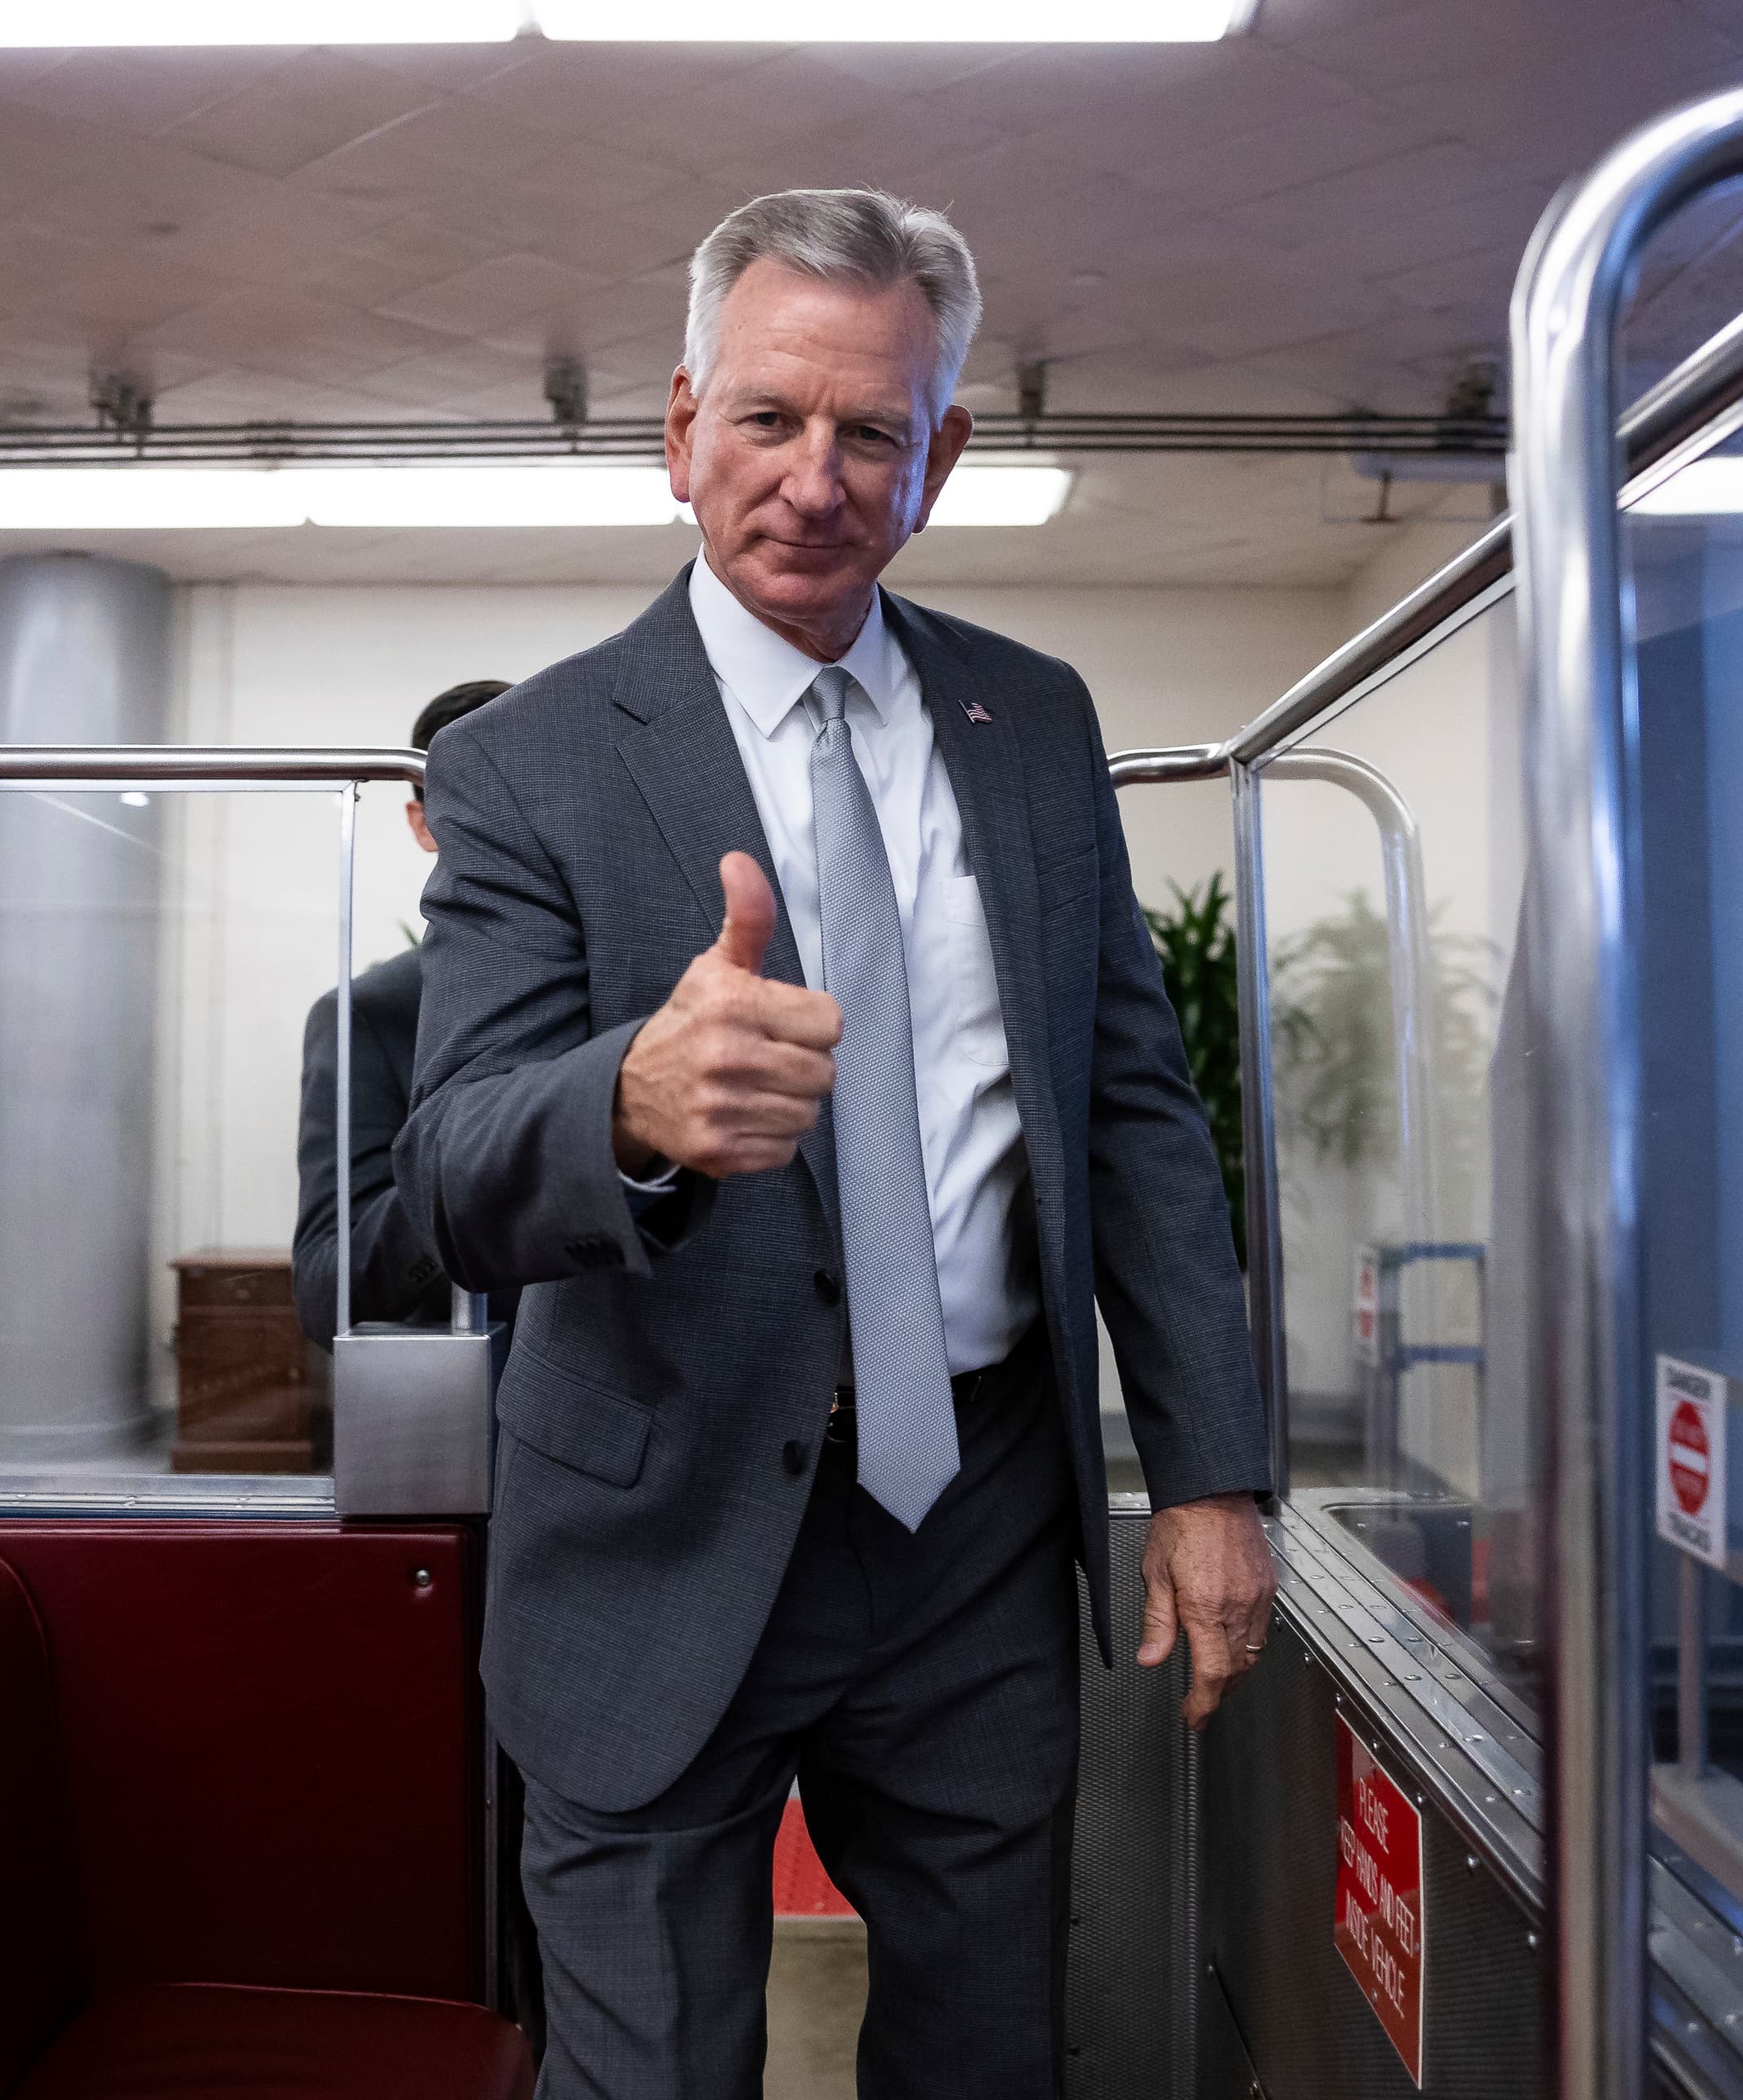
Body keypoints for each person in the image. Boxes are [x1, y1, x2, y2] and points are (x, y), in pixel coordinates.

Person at [395, 189, 1276, 2097]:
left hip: (971, 1515)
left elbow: (1131, 1110)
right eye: (768, 421)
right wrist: (621, 1102)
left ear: (939, 452)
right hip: (657, 1511)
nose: (814, 477)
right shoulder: (527, 764)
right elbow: (452, 1165)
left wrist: (1214, 1471)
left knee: (984, 2057)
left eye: (871, 428)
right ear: (679, 428)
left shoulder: (1031, 727)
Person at [291, 678, 512, 1350]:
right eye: (474, 800)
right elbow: (329, 1289)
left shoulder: (649, 993)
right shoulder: (367, 1017)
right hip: (471, 1413)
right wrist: (488, 1161)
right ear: (422, 824)